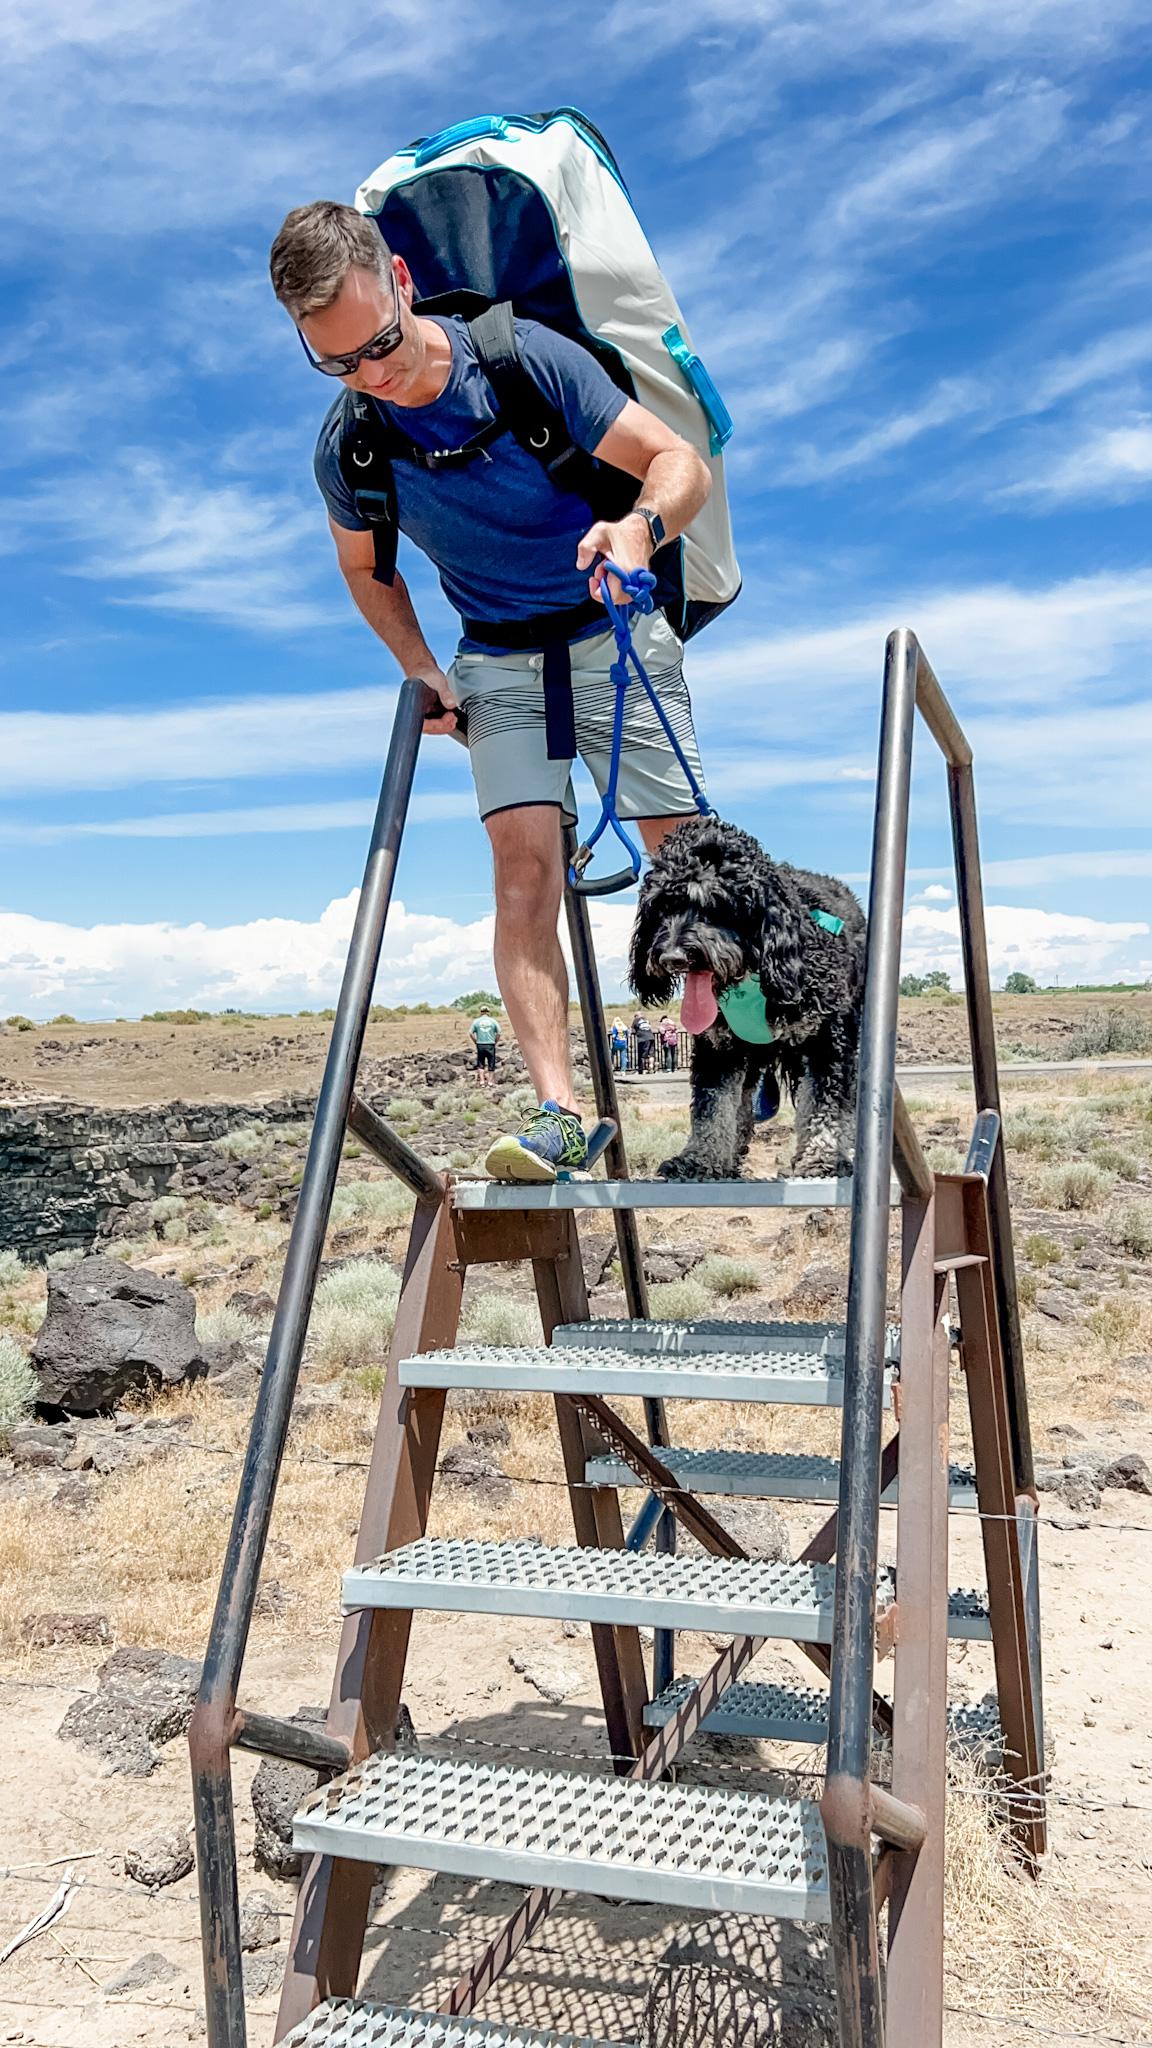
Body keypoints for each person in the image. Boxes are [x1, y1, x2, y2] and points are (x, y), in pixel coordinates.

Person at [269, 203, 712, 1184]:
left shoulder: (523, 363)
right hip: (498, 662)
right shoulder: (350, 446)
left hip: (613, 632)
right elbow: (364, 569)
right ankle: (560, 1111)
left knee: (677, 856)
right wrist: (419, 667)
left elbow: (682, 465)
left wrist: (638, 529)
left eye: (378, 344)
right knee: (522, 870)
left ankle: (749, 1048)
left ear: (400, 278)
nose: (371, 375)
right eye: (337, 363)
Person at [469, 1006, 500, 1086]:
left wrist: (475, 1041)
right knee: (491, 1063)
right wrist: (495, 1041)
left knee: (480, 1063)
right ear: (488, 1012)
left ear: (481, 1012)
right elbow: (499, 1033)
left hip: (480, 1044)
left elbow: (470, 1033)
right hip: (490, 1044)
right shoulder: (493, 1021)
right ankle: (490, 1082)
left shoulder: (476, 1021)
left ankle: (482, 1081)